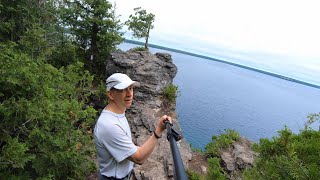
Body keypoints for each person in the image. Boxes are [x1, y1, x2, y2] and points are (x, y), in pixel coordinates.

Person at [94, 73, 172, 180]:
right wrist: (158, 131)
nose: (129, 94)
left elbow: (128, 149)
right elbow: (139, 158)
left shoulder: (116, 114)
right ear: (111, 94)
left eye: (131, 88)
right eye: (123, 90)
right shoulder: (110, 125)